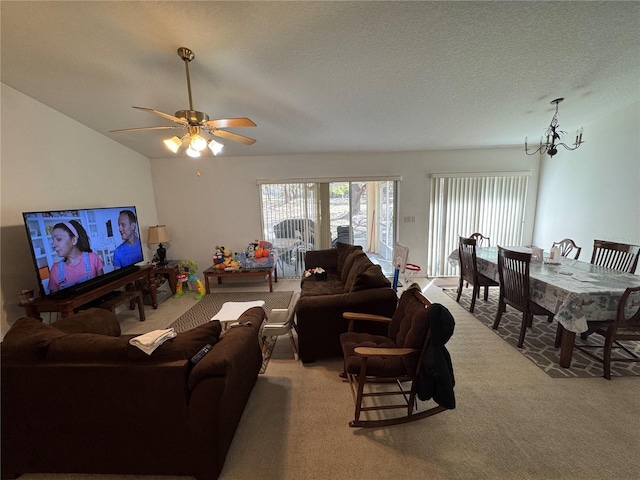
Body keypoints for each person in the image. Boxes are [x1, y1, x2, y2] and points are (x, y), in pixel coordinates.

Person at [48, 220, 104, 293]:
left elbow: (103, 287)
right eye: (53, 240)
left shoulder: (93, 258)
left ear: (74, 240)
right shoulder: (55, 269)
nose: (53, 245)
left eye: (58, 239)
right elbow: (55, 301)